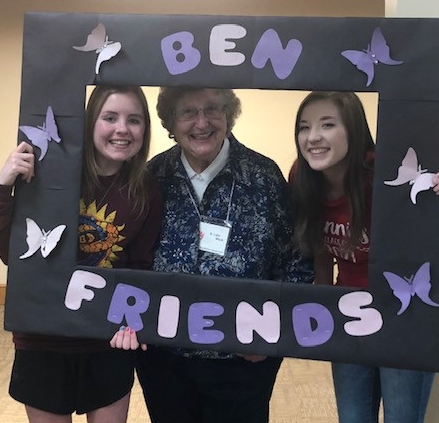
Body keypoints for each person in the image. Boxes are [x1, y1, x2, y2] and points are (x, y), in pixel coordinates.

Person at [111, 87, 314, 423]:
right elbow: (126, 256)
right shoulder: (151, 177)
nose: (202, 122)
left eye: (212, 109)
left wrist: (271, 336)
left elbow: (298, 261)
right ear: (171, 122)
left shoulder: (263, 176)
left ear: (228, 115)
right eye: (188, 112)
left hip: (243, 357)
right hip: (164, 354)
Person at [289, 91, 439, 423]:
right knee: (352, 417)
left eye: (327, 125)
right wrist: (318, 317)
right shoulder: (303, 177)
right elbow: (321, 253)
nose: (313, 137)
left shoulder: (386, 176)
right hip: (349, 315)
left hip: (403, 317)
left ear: (354, 130)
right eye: (304, 127)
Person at [0, 85, 163, 423]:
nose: (122, 129)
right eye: (109, 117)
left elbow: (141, 265)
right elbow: (11, 253)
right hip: (43, 334)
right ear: (90, 122)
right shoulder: (49, 173)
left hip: (106, 338)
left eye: (134, 120)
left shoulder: (145, 189)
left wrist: (133, 319)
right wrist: (3, 186)